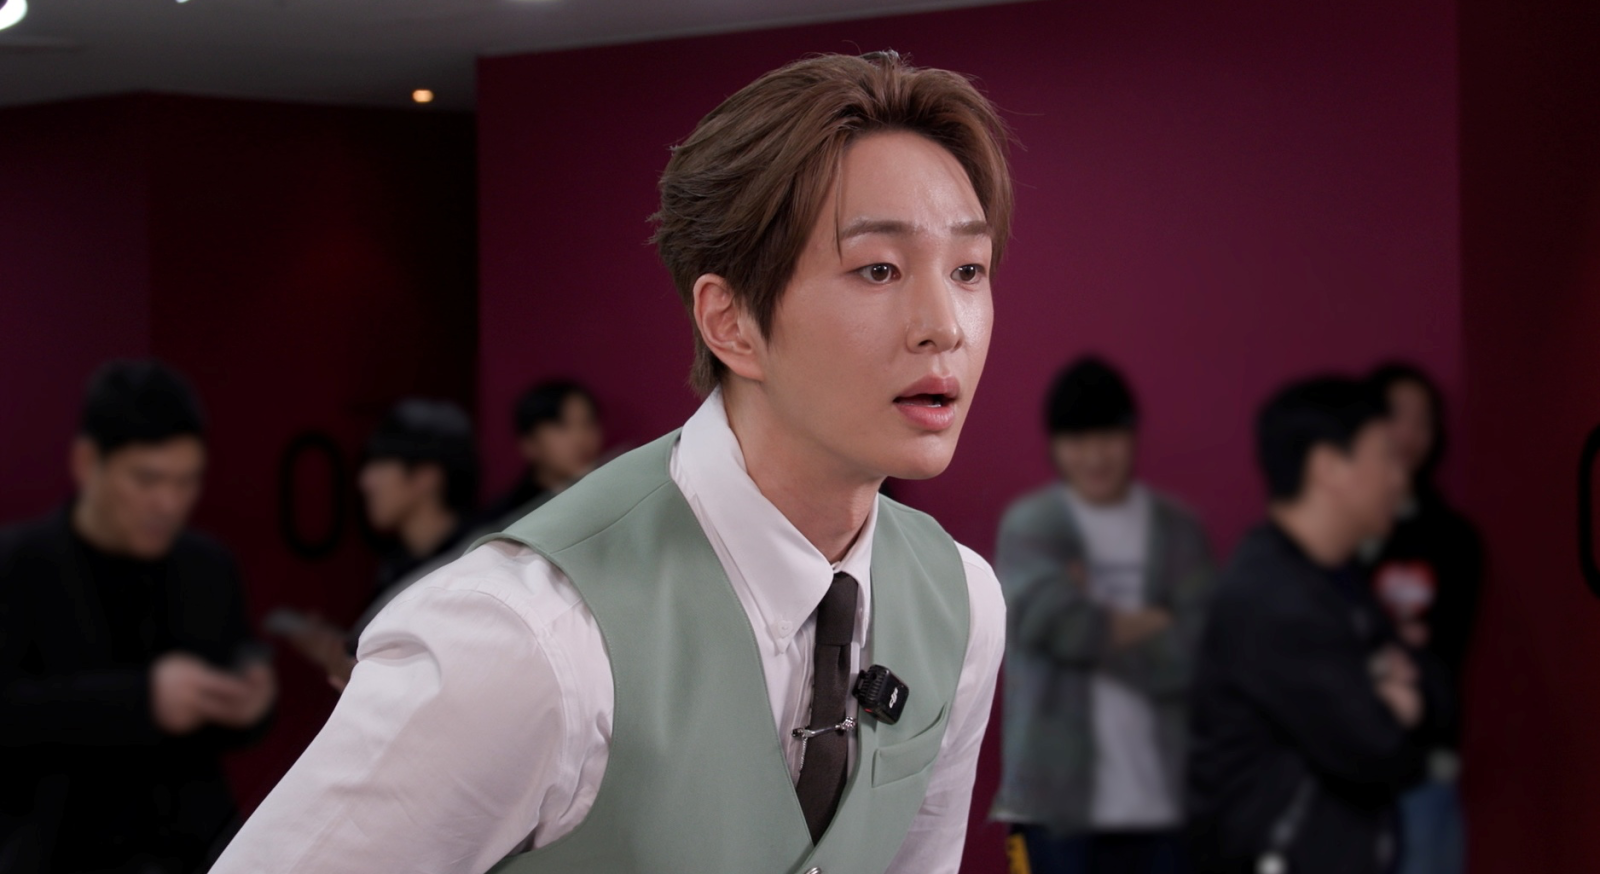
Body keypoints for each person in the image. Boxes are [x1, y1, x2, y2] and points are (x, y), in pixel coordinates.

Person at [213, 50, 1010, 874]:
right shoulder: (526, 638)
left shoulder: (963, 604)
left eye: (968, 270)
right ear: (730, 322)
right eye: (878, 269)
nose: (945, 325)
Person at [0, 360, 276, 874]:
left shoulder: (209, 566)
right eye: (147, 479)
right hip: (58, 849)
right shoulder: (18, 565)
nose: (169, 503)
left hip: (192, 850)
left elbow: (234, 692)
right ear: (88, 463)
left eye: (187, 481)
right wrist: (141, 699)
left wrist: (252, 706)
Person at [1187, 376, 1451, 874]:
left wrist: (1405, 700)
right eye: (1385, 457)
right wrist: (1393, 700)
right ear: (1328, 466)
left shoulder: (1335, 578)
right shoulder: (1272, 596)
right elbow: (1381, 749)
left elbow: (1437, 694)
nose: (1399, 479)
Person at [991, 356, 1214, 874]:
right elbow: (1059, 626)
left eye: (1108, 437)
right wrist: (1153, 621)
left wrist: (1092, 617)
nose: (1094, 455)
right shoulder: (1031, 525)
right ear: (1055, 446)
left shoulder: (1177, 530)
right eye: (1077, 440)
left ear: (1131, 437)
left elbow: (1200, 650)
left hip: (1163, 801)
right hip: (1054, 801)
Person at [1365, 363, 1481, 874]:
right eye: (1398, 416)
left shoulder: (1453, 538)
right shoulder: (1342, 531)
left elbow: (1443, 645)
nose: (1409, 434)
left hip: (1423, 761)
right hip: (1345, 763)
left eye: (1424, 421)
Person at [279, 398, 477, 688]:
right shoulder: (394, 567)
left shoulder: (474, 566)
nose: (365, 481)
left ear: (426, 477)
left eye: (381, 464)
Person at [476, 380, 604, 531]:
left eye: (588, 423)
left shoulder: (609, 500)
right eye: (561, 426)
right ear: (529, 443)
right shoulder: (506, 520)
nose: (580, 439)